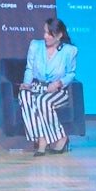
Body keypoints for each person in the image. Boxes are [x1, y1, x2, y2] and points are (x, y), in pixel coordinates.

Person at [20, 18, 78, 155]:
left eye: (49, 33)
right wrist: (27, 83)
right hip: (36, 86)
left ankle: (44, 142)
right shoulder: (35, 45)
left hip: (57, 90)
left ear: (59, 35)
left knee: (42, 101)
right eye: (44, 32)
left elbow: (70, 74)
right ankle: (51, 137)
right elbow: (29, 69)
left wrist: (58, 83)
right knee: (24, 96)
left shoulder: (69, 51)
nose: (45, 36)